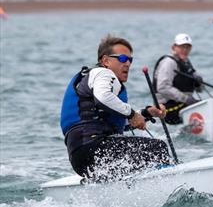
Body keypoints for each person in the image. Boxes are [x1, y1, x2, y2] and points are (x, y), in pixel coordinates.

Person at [60, 35, 169, 179]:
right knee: (157, 148)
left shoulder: (97, 81)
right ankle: (170, 182)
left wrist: (146, 113)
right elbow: (103, 97)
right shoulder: (103, 73)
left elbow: (117, 122)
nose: (128, 64)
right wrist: (132, 114)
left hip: (80, 157)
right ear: (105, 61)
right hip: (94, 147)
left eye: (130, 60)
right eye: (122, 58)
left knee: (135, 165)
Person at [154, 33, 203, 124]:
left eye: (187, 47)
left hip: (181, 104)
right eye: (182, 47)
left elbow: (200, 90)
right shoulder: (169, 63)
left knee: (205, 104)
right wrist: (186, 99)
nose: (185, 50)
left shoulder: (186, 61)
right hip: (168, 109)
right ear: (174, 47)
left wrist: (199, 83)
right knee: (203, 110)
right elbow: (162, 87)